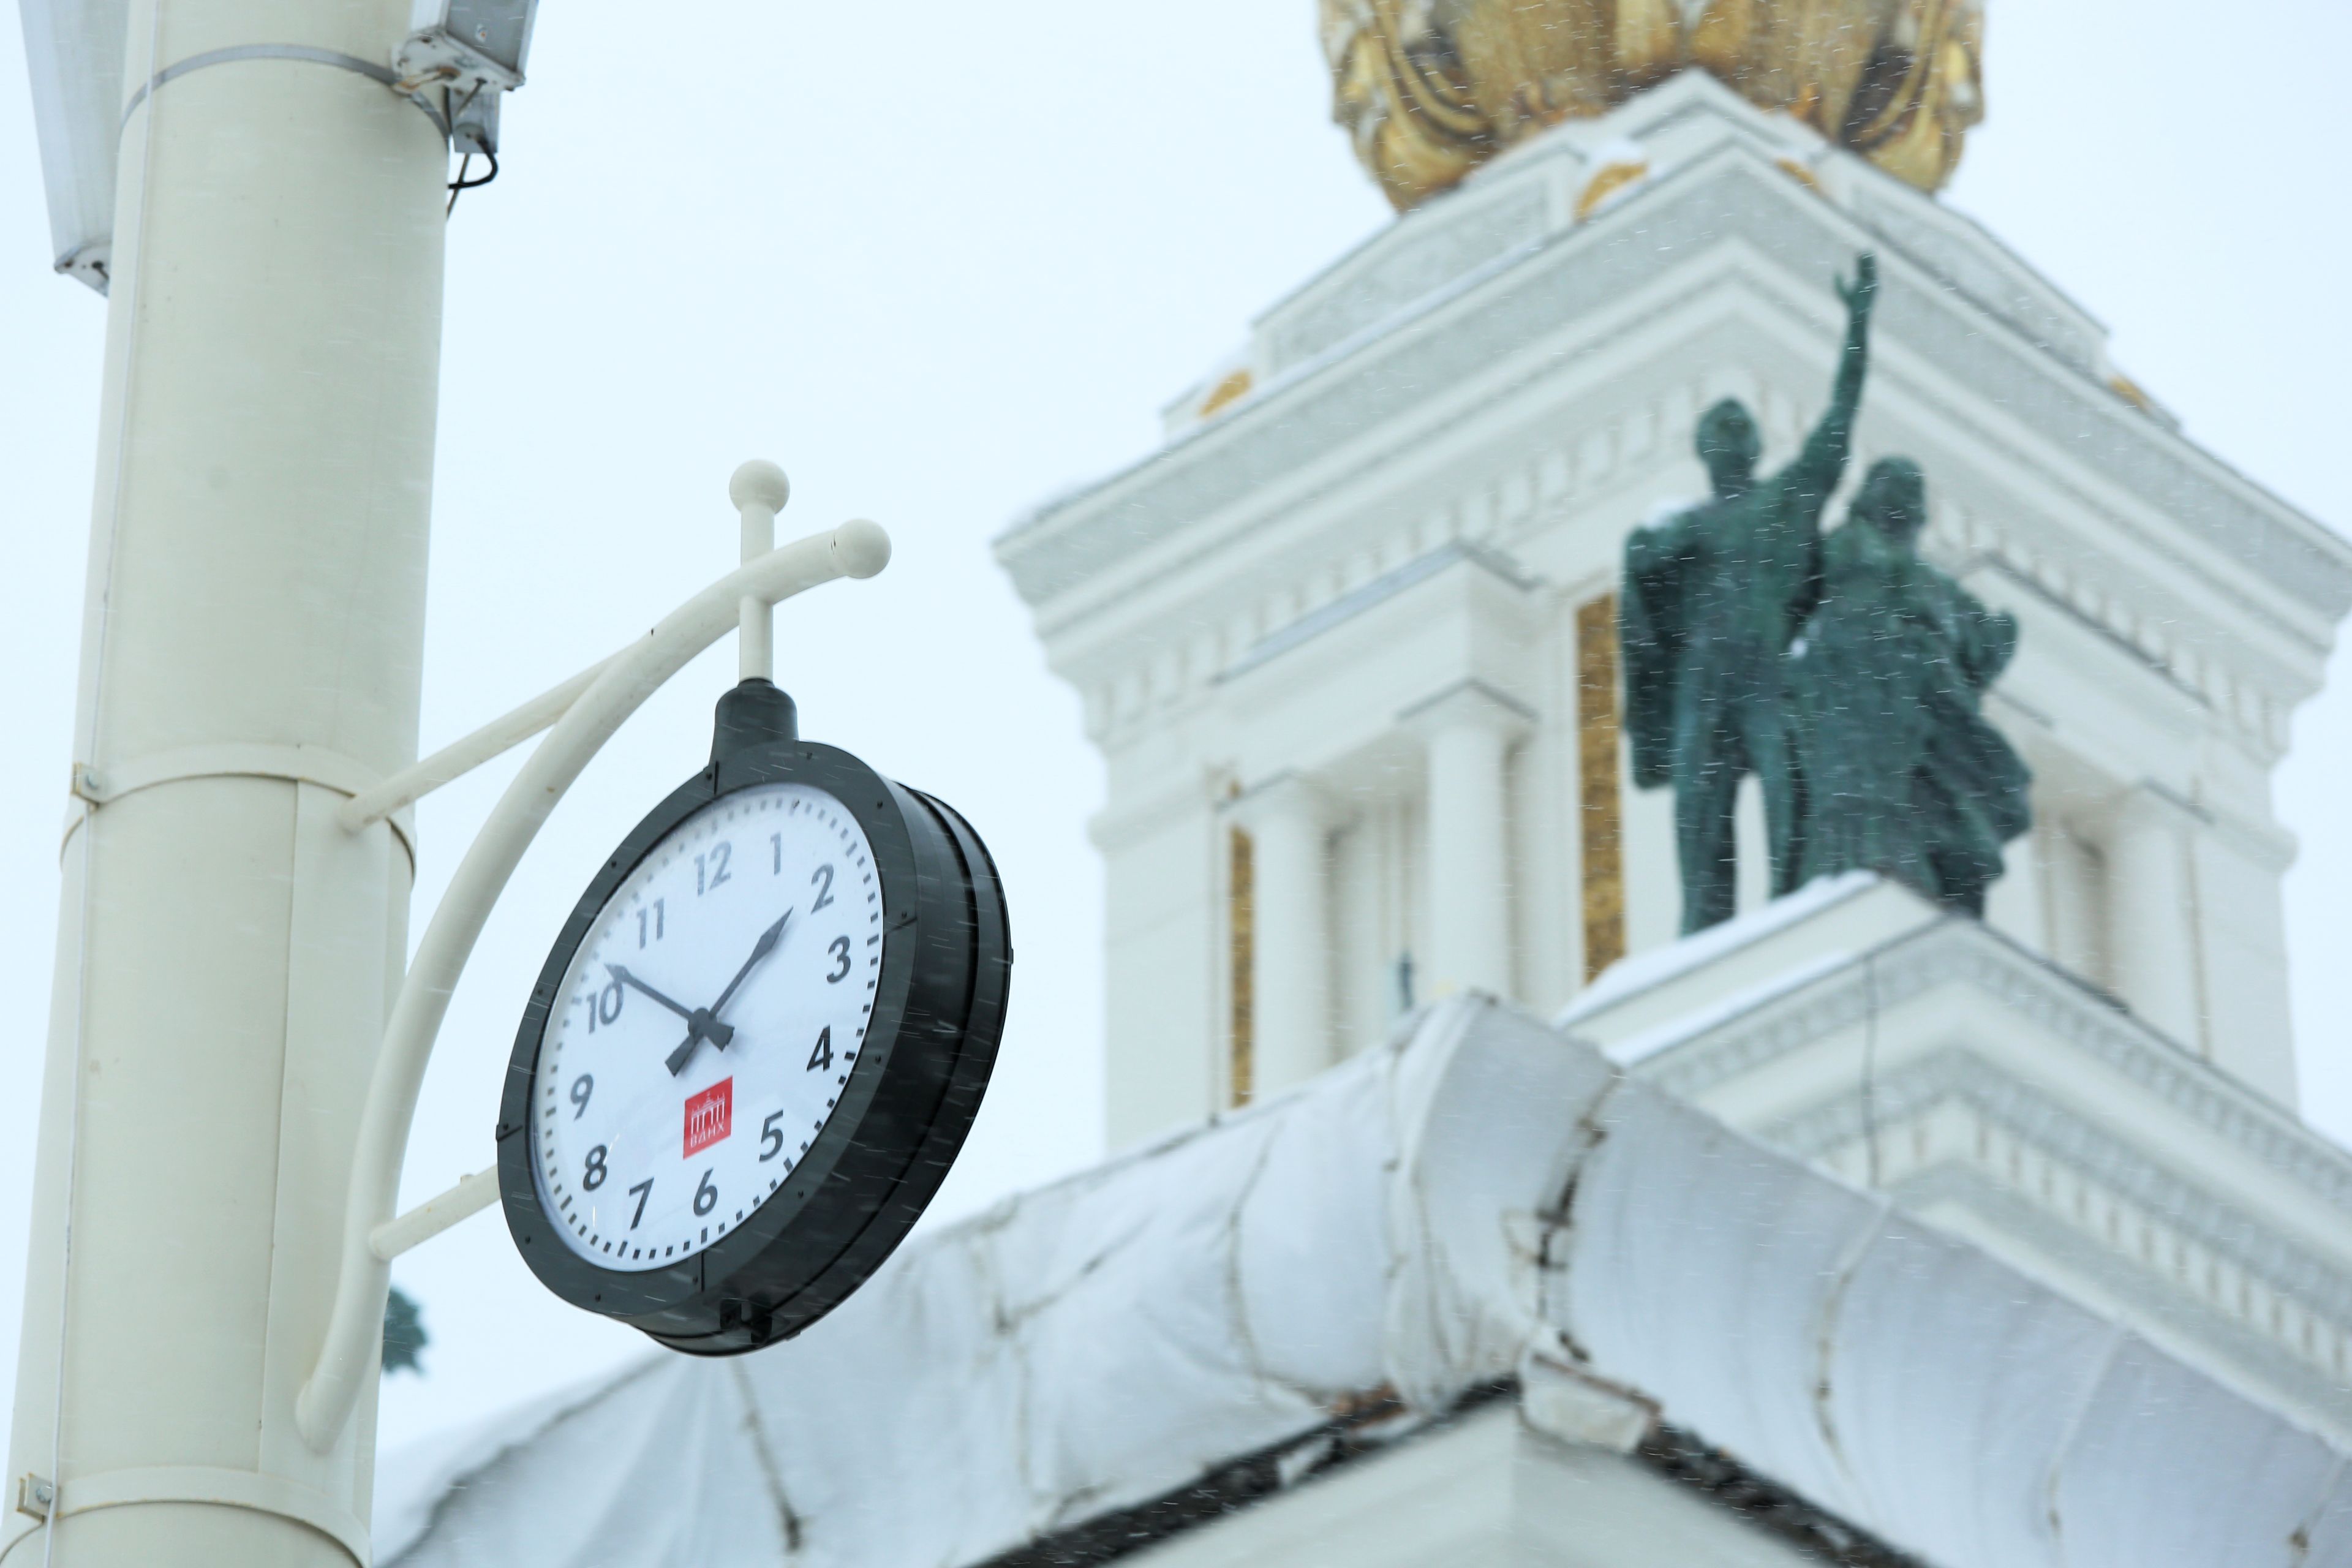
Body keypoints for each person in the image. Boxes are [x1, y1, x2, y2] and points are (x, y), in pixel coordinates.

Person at [1621, 253, 1875, 933]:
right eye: (1719, 430)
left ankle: (1792, 911)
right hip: (1704, 677)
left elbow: (1839, 423)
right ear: (1705, 451)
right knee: (1700, 819)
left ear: (1759, 445)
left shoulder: (1785, 501)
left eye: (1740, 427)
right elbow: (1643, 606)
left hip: (1766, 670)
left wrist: (1858, 325)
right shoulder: (1685, 531)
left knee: (1789, 797)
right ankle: (1702, 935)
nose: (1730, 435)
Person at [1785, 458, 2030, 914]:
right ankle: (1906, 867)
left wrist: (1997, 637)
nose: (1901, 503)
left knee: (1985, 787)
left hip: (1931, 704)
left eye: (1908, 494)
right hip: (1877, 699)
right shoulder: (1847, 548)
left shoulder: (1933, 584)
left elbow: (1980, 643)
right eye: (1892, 491)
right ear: (1869, 501)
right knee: (1904, 801)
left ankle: (1944, 873)